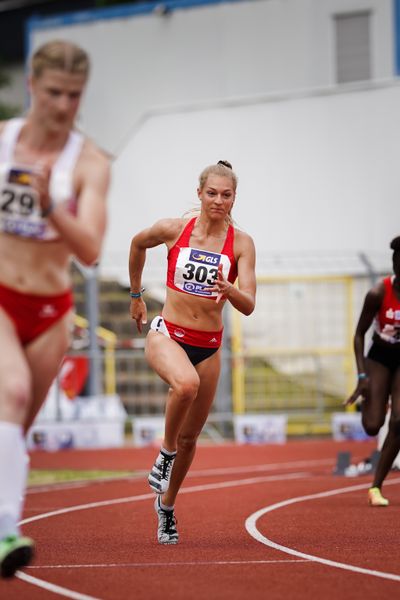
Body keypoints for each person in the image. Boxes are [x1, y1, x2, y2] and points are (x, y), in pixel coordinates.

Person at [0, 40, 110, 577]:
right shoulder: (1, 144)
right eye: (53, 93)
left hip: (50, 309)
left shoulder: (87, 163)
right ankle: (4, 535)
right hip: (0, 292)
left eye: (73, 94)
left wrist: (48, 206)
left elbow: (90, 249)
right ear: (31, 87)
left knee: (13, 428)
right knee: (11, 392)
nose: (63, 105)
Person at [129, 160, 256, 544]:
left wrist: (230, 289)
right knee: (185, 385)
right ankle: (163, 455)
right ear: (199, 193)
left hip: (209, 347)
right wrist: (136, 296)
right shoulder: (175, 229)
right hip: (168, 334)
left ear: (235, 198)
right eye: (212, 193)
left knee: (191, 439)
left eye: (226, 194)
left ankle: (166, 507)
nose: (219, 200)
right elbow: (137, 243)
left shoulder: (242, 243)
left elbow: (248, 303)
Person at [346, 236, 400, 506]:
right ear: (395, 265)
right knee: (372, 426)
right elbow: (358, 335)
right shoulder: (379, 292)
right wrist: (362, 377)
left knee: (399, 422)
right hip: (379, 356)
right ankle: (375, 398)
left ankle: (376, 487)